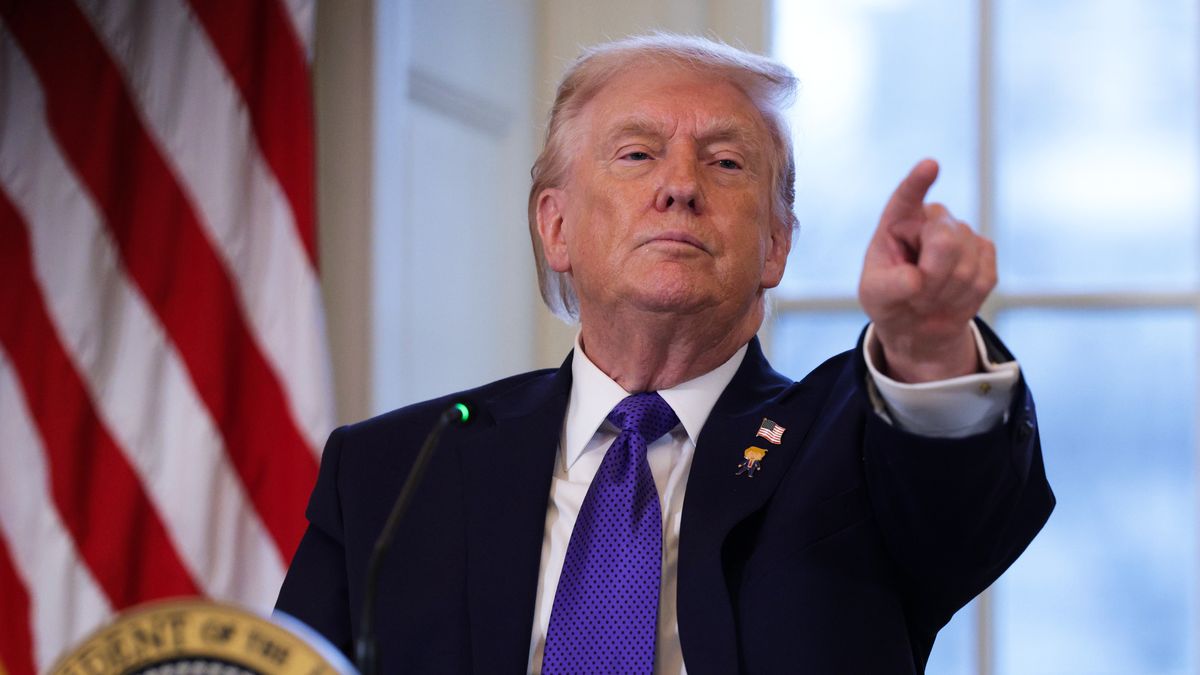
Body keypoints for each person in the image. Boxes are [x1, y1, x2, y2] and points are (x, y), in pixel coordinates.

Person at [277, 34, 1053, 674]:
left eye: (725, 162)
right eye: (637, 154)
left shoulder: (850, 447)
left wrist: (927, 346)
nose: (680, 186)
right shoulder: (395, 471)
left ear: (776, 245)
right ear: (556, 228)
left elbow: (959, 501)